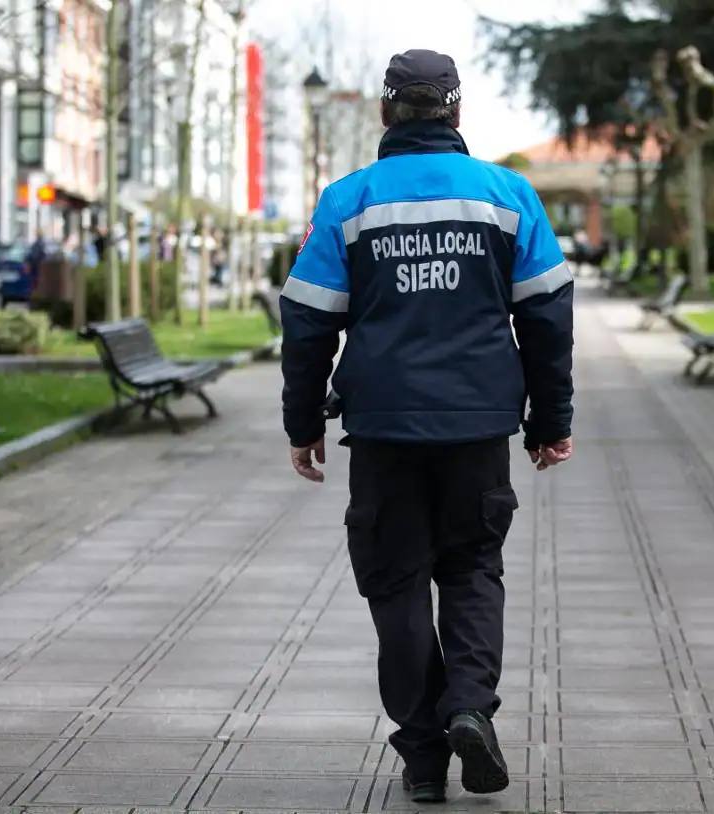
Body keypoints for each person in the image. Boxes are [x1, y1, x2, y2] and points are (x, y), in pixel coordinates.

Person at [280, 49, 574, 804]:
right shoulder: (509, 196)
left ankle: (421, 758)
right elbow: (546, 315)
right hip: (478, 427)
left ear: (387, 113)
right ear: (456, 113)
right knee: (474, 569)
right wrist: (550, 419)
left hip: (382, 428)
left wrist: (302, 418)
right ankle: (469, 706)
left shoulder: (350, 200)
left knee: (397, 584)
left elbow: (309, 320)